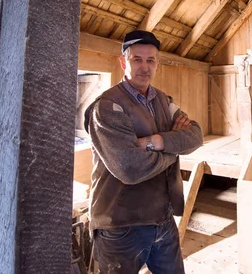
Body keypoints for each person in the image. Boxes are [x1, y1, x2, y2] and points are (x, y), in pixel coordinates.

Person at [84, 30, 203, 274]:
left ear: (157, 64)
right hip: (120, 225)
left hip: (163, 217)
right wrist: (173, 149)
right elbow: (130, 168)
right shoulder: (107, 107)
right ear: (123, 62)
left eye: (150, 60)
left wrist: (155, 141)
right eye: (136, 59)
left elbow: (195, 136)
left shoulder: (163, 100)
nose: (144, 67)